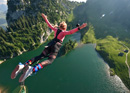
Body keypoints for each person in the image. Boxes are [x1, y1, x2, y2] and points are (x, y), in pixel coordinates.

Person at [11, 13, 87, 82]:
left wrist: (45, 18)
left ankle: (23, 65)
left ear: (59, 26)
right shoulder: (63, 32)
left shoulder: (56, 29)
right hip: (56, 46)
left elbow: (49, 25)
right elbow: (71, 32)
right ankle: (33, 69)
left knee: (40, 56)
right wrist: (80, 27)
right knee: (50, 60)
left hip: (50, 44)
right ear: (65, 28)